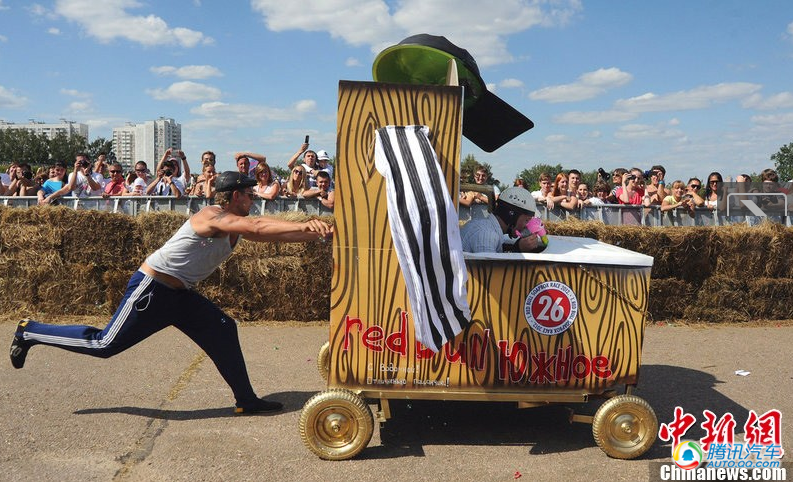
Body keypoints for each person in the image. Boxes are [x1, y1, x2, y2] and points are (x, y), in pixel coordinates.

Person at [10, 171, 334, 415]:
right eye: (249, 194)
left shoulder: (235, 225)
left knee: (223, 329)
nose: (254, 199)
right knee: (105, 344)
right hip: (152, 289)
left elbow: (267, 235)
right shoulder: (212, 215)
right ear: (235, 196)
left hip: (182, 296)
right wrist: (307, 224)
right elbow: (259, 227)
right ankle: (29, 331)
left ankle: (246, 401)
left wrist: (318, 233)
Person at [460, 186, 544, 253]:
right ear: (511, 215)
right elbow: (490, 272)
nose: (527, 226)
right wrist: (517, 250)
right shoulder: (488, 235)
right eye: (527, 220)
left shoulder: (487, 227)